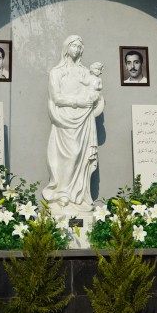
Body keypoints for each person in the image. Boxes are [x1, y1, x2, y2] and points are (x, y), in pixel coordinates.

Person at [43, 35, 104, 211]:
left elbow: (94, 91)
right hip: (64, 119)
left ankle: (79, 196)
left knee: (81, 156)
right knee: (69, 154)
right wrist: (78, 102)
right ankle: (62, 192)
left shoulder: (85, 72)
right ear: (66, 48)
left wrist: (94, 98)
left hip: (84, 119)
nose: (76, 50)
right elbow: (56, 98)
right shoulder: (56, 72)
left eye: (79, 47)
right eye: (73, 46)